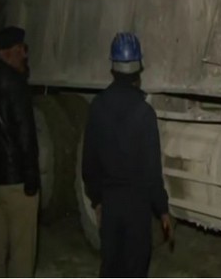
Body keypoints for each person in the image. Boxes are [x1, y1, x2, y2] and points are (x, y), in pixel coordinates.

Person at [82, 32, 171, 277]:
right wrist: (162, 209)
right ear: (138, 68)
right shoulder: (144, 113)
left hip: (110, 204)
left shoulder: (98, 107)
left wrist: (97, 199)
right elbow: (152, 172)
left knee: (110, 266)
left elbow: (89, 163)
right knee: (135, 267)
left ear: (113, 67)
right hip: (137, 207)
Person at [0, 26, 40, 278]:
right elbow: (25, 135)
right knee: (22, 252)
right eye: (22, 50)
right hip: (15, 182)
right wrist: (31, 175)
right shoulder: (16, 84)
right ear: (12, 51)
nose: (25, 55)